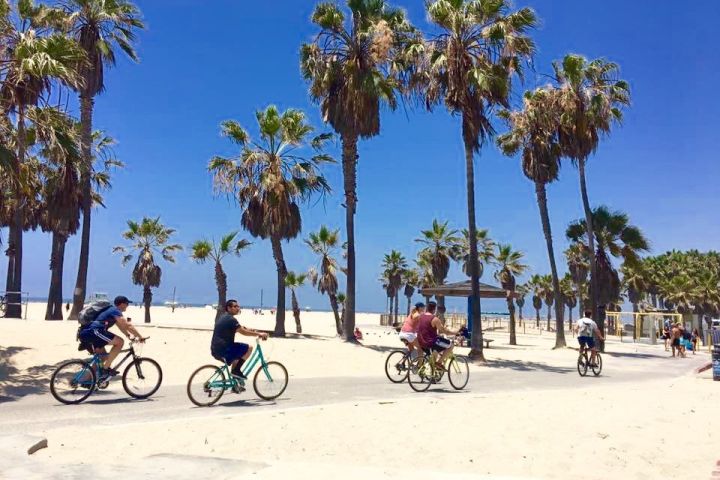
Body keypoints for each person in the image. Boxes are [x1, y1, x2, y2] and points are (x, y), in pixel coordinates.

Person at [78, 295, 144, 376]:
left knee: (102, 358)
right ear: (122, 304)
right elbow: (127, 325)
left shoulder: (111, 311)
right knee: (120, 342)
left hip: (89, 332)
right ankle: (106, 369)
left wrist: (128, 335)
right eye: (127, 303)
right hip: (95, 331)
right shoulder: (115, 310)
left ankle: (87, 380)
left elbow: (121, 326)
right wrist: (140, 336)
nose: (127, 305)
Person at [211, 300, 268, 383]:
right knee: (249, 348)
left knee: (237, 357)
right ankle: (236, 371)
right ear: (229, 308)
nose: (238, 308)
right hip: (225, 350)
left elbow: (241, 328)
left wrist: (253, 330)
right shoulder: (231, 319)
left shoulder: (224, 317)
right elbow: (243, 332)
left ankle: (235, 384)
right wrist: (259, 334)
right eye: (235, 306)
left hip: (216, 349)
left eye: (238, 306)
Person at [416, 301, 462, 369]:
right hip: (430, 342)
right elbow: (444, 331)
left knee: (438, 345)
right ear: (434, 309)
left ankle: (433, 370)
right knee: (451, 345)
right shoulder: (435, 319)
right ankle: (439, 363)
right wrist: (455, 333)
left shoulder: (420, 317)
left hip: (421, 342)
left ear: (426, 308)